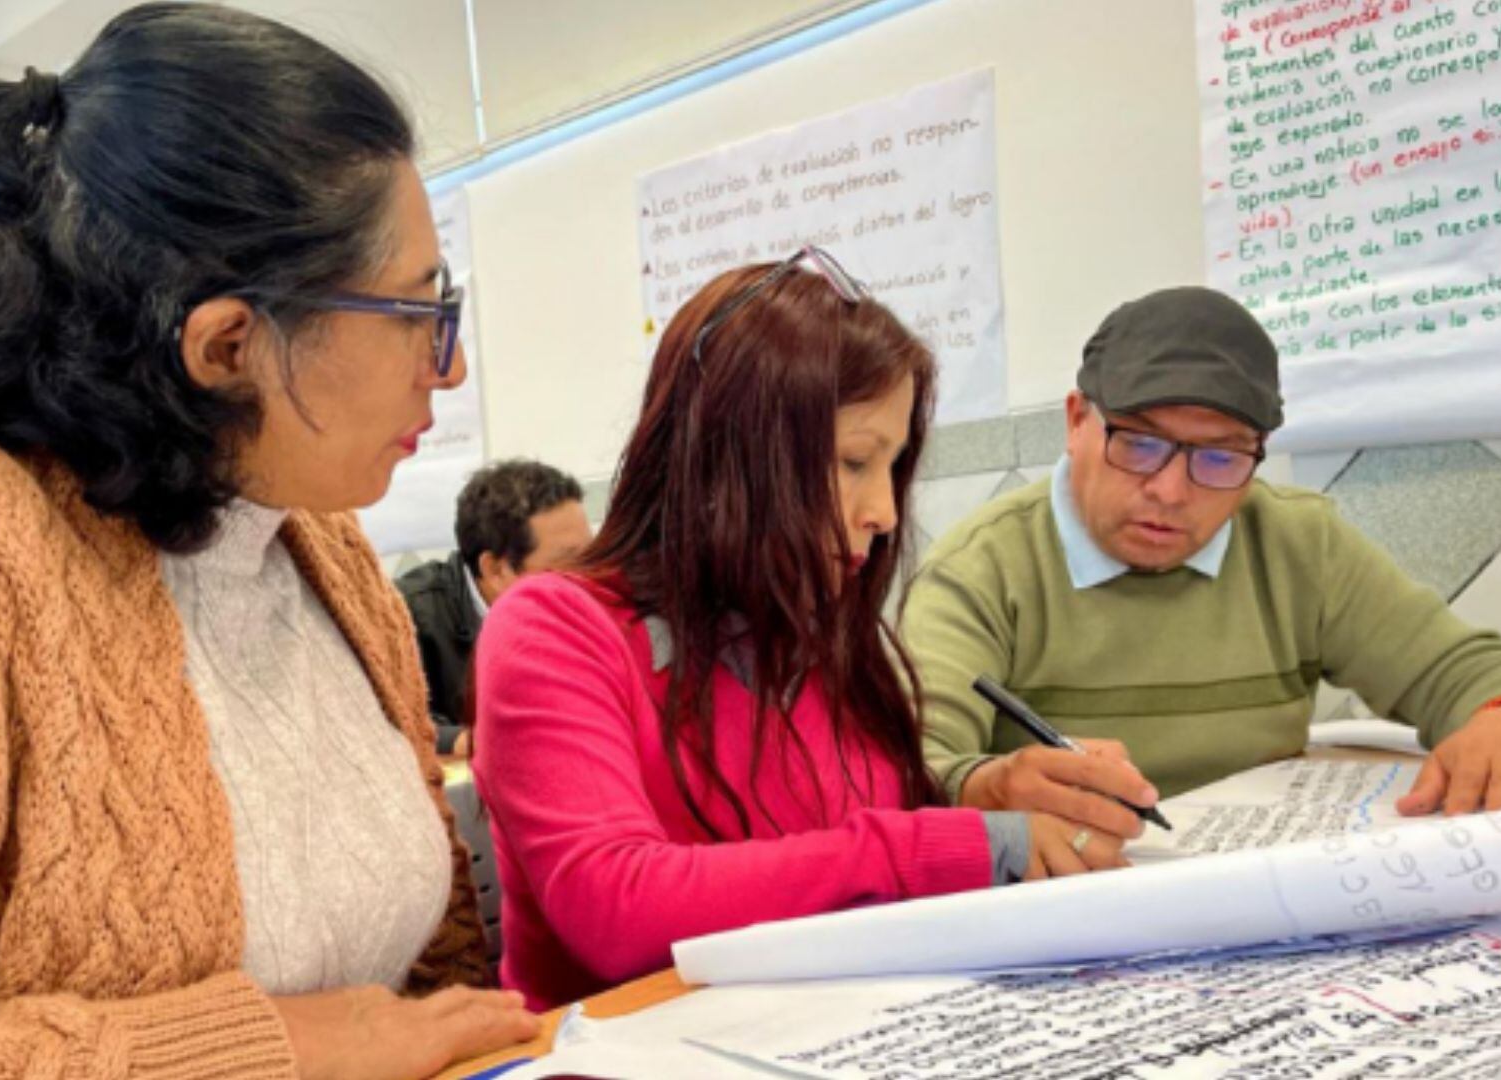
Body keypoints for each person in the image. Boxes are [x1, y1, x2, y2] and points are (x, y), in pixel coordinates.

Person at [0, 6, 538, 1080]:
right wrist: (263, 1052)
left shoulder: (317, 546)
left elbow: (424, 1002)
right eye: (418, 315)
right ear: (227, 344)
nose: (450, 367)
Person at [471, 249, 1119, 1011]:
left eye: (893, 467)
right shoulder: (555, 628)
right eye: (853, 462)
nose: (883, 513)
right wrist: (935, 847)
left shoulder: (805, 621)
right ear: (729, 453)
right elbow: (618, 908)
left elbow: (847, 843)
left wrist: (976, 792)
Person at [904, 285, 1501, 849]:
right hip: (1073, 902)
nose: (1171, 491)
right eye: (1138, 444)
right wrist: (983, 786)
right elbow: (904, 774)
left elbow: (1482, 675)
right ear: (1076, 420)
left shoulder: (1299, 543)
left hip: (1272, 893)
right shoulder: (981, 569)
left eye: (1221, 457)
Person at [396, 459, 589, 754]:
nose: (587, 576)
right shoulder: (407, 614)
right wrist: (467, 740)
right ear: (495, 569)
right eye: (567, 562)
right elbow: (392, 722)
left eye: (591, 555)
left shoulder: (593, 608)